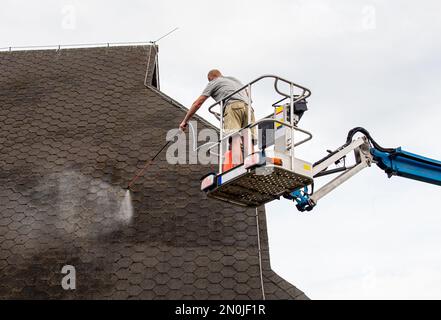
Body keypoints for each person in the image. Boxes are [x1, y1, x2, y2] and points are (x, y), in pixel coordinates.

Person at [179, 69, 255, 166]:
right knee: (248, 139)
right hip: (249, 109)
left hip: (232, 107)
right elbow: (247, 94)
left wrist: (184, 121)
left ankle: (237, 167)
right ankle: (253, 164)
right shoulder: (234, 80)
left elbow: (197, 103)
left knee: (235, 138)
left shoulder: (214, 82)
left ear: (210, 78)